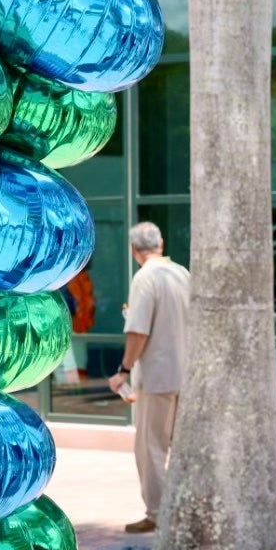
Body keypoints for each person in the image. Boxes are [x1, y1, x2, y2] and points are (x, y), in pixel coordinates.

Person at [107, 221, 190, 534]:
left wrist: (123, 370)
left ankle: (157, 513)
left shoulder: (145, 278)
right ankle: (182, 506)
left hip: (157, 376)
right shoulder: (182, 273)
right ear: (162, 243)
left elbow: (138, 330)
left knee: (151, 447)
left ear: (133, 250)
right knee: (180, 445)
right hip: (186, 374)